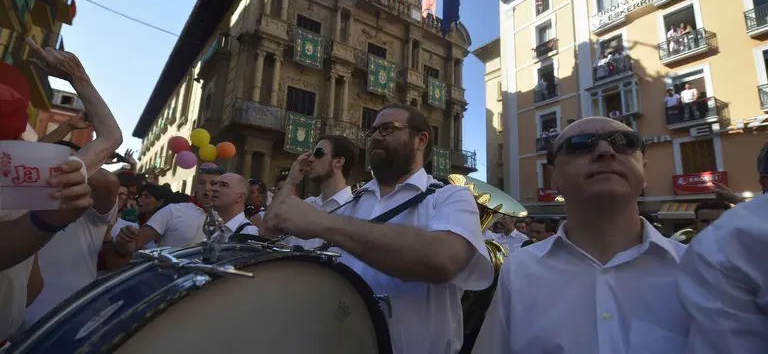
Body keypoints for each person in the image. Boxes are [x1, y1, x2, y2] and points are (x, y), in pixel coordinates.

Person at [264, 103, 492, 353]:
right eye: (372, 131)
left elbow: (443, 259)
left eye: (387, 129)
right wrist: (293, 179)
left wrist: (321, 223)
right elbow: (273, 223)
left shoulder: (451, 197)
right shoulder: (353, 201)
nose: (375, 137)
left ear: (421, 140)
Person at [473, 116, 689, 353]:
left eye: (624, 142)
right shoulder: (518, 270)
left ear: (643, 170)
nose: (605, 151)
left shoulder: (696, 269)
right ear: (554, 177)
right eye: (580, 144)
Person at [21, 39, 124, 329]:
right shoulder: (25, 189)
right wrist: (78, 77)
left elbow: (106, 181)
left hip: (68, 320)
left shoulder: (31, 184)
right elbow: (111, 138)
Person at [678, 193, 768, 353]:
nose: (710, 225)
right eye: (704, 221)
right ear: (696, 223)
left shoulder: (750, 253)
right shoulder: (679, 254)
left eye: (717, 221)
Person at [114, 169, 258, 256]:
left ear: (240, 197)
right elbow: (132, 245)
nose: (211, 188)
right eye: (202, 183)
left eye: (221, 185)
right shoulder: (174, 210)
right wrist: (124, 240)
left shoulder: (245, 230)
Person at [279, 135, 358, 249]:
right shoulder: (305, 205)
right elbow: (270, 224)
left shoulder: (357, 210)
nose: (310, 159)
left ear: (338, 162)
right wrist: (291, 181)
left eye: (318, 153)